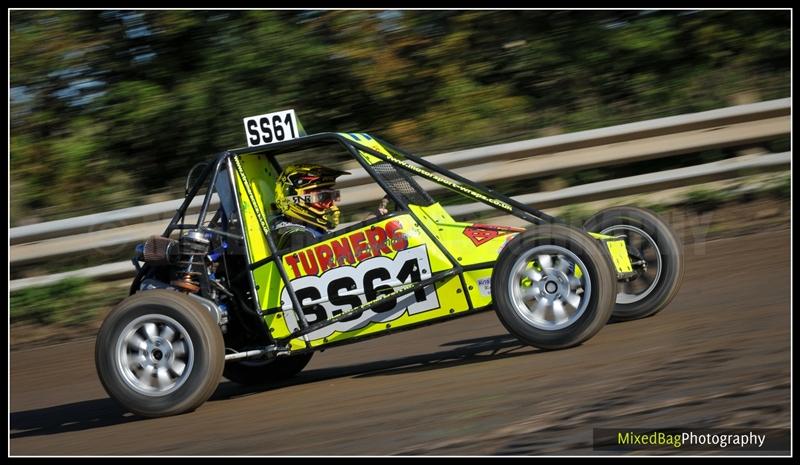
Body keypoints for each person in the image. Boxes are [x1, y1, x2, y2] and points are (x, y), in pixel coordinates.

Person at [272, 164, 350, 250]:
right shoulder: (299, 237)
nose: (331, 204)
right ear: (297, 200)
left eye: (334, 196)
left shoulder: (311, 230)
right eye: (323, 197)